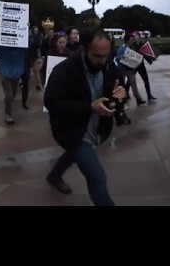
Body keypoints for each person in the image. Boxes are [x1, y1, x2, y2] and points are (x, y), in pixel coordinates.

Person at [43, 27, 126, 206]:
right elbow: (52, 103)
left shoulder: (109, 64)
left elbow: (119, 82)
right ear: (84, 49)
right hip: (72, 131)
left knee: (74, 155)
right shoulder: (63, 70)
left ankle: (54, 175)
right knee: (97, 178)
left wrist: (121, 92)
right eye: (97, 56)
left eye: (106, 55)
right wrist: (88, 107)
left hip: (98, 128)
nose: (103, 61)